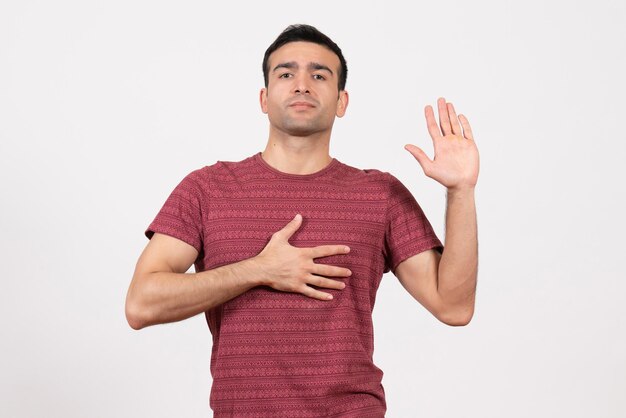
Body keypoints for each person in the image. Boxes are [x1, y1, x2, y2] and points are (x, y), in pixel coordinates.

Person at [125, 23, 479, 417]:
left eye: (319, 74)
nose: (302, 84)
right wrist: (257, 270)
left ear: (342, 101)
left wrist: (460, 192)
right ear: (264, 97)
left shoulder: (380, 195)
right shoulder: (207, 189)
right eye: (286, 73)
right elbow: (142, 304)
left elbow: (453, 306)